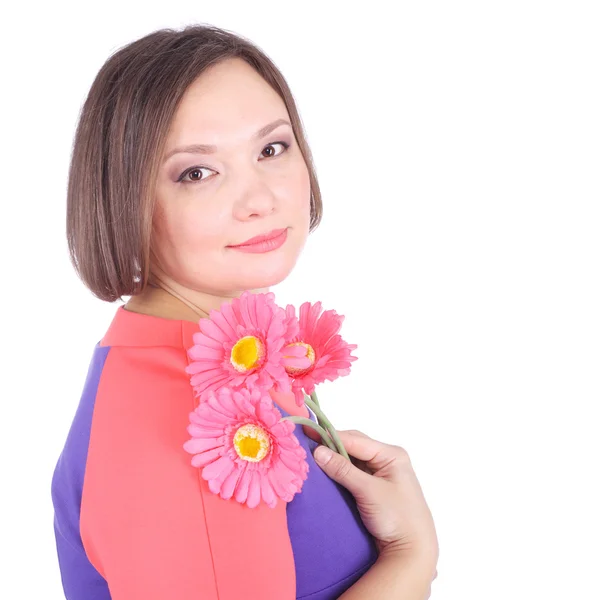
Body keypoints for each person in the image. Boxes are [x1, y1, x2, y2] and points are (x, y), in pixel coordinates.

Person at [50, 24, 439, 599]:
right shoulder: (187, 418)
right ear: (124, 200)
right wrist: (412, 558)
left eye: (271, 148)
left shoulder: (214, 351)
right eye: (197, 172)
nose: (261, 199)